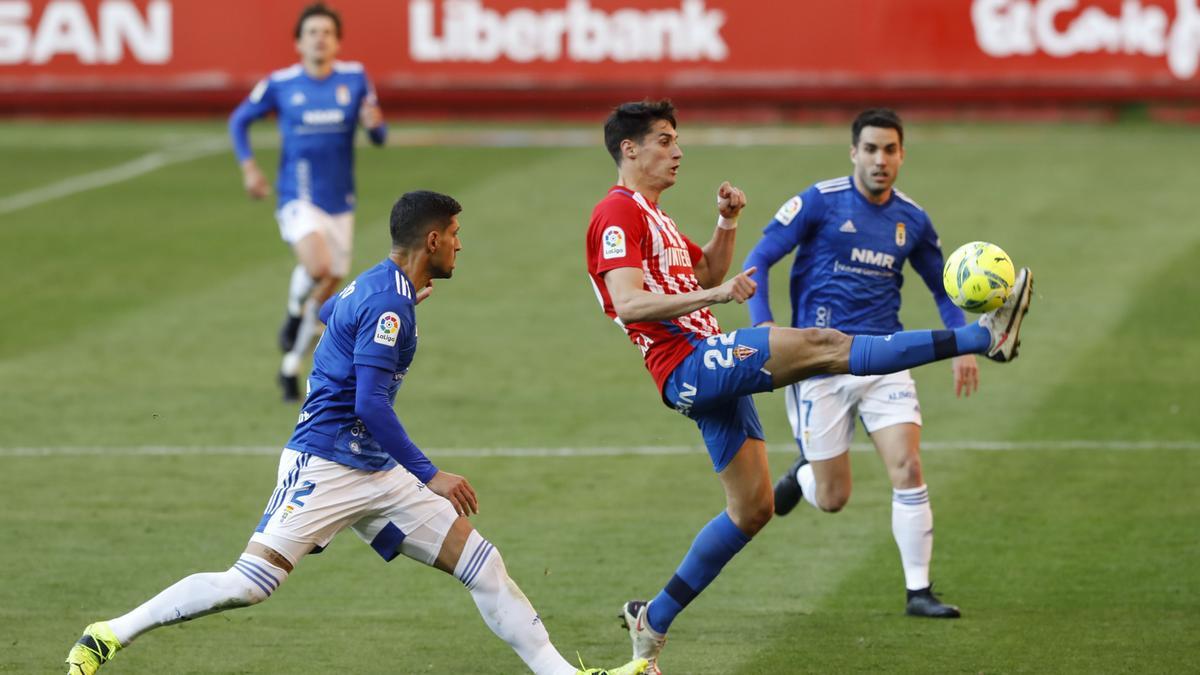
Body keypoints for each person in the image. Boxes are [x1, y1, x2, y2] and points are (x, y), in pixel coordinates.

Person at [66, 191, 647, 675]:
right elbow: (370, 402)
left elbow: (330, 318)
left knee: (482, 564)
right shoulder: (387, 304)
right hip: (325, 464)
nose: (461, 243)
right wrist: (431, 474)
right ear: (433, 241)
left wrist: (379, 319)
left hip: (375, 471)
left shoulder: (380, 288)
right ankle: (108, 633)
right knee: (248, 584)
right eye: (455, 232)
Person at [584, 100, 1032, 674]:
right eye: (666, 140)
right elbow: (629, 303)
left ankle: (654, 618)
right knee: (827, 347)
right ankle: (983, 338)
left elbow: (706, 275)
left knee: (753, 510)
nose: (677, 151)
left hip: (703, 362)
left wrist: (726, 224)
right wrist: (716, 301)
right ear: (630, 149)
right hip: (688, 362)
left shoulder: (655, 215)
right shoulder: (615, 213)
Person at [743, 108, 976, 618]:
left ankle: (919, 592)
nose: (880, 160)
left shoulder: (912, 219)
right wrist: (763, 326)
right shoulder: (818, 202)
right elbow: (756, 261)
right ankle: (803, 477)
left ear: (901, 155)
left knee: (908, 467)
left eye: (889, 150)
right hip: (818, 365)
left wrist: (962, 343)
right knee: (833, 499)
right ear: (853, 152)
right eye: (870, 149)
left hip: (884, 360)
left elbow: (943, 287)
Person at [229, 2, 388, 403]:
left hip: (342, 201)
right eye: (312, 32)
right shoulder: (282, 84)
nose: (320, 38)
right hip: (297, 195)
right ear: (299, 42)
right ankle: (293, 308)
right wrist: (250, 168)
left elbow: (380, 134)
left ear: (337, 42)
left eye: (327, 33)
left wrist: (375, 126)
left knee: (328, 284)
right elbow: (238, 120)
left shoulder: (354, 79)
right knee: (318, 267)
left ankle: (290, 366)